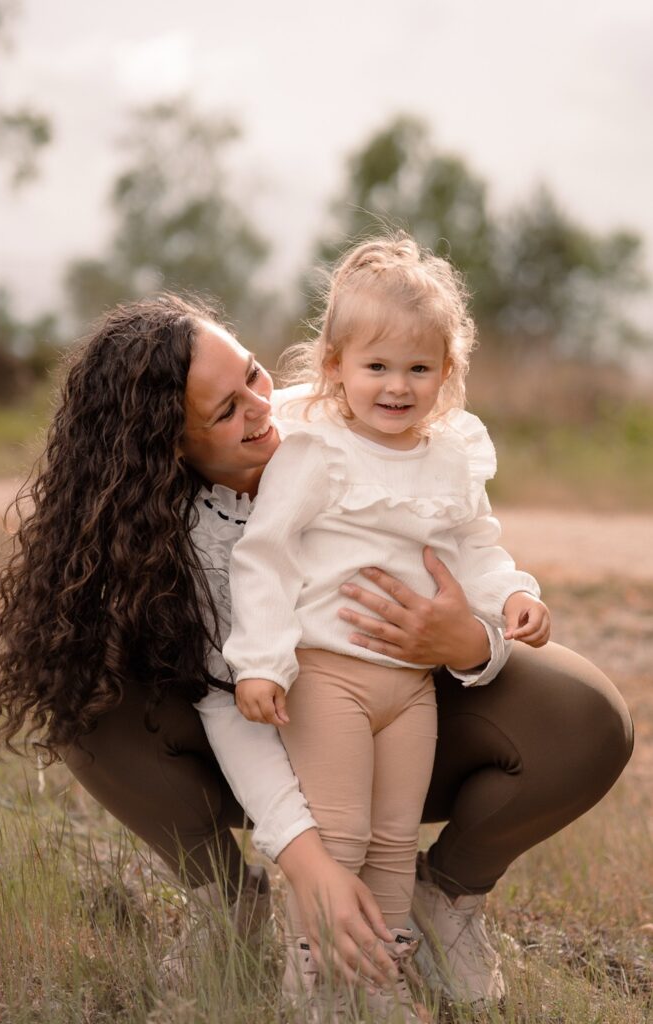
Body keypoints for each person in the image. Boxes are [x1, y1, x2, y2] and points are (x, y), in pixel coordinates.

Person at [0, 293, 633, 1011]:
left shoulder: (341, 415)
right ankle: (232, 908)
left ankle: (438, 902)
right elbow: (225, 706)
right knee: (84, 695)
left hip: (399, 703)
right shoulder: (175, 537)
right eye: (226, 412)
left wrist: (469, 639)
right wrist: (306, 860)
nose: (263, 409)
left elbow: (464, 540)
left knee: (587, 711)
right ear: (171, 448)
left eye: (253, 374)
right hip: (268, 717)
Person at [219, 235, 550, 1019]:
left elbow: (475, 546)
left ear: (447, 372)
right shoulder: (316, 450)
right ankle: (319, 983)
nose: (397, 387)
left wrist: (510, 595)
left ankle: (378, 977)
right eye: (376, 367)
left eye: (418, 368)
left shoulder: (449, 455)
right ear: (334, 365)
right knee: (340, 834)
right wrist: (258, 661)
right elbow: (263, 555)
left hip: (410, 688)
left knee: (395, 840)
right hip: (325, 674)